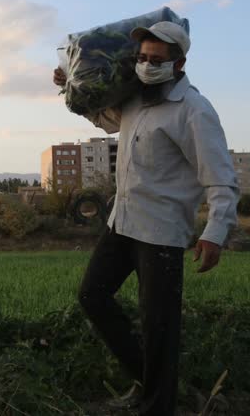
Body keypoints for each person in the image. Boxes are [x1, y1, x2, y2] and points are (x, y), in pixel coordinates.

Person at [53, 21, 239, 415]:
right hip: (121, 223)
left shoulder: (194, 110)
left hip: (162, 232)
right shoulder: (136, 100)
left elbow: (221, 178)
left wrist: (215, 232)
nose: (146, 65)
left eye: (156, 60)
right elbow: (107, 121)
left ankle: (159, 405)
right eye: (141, 58)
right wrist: (70, 87)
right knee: (93, 296)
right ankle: (149, 379)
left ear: (179, 63)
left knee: (159, 326)